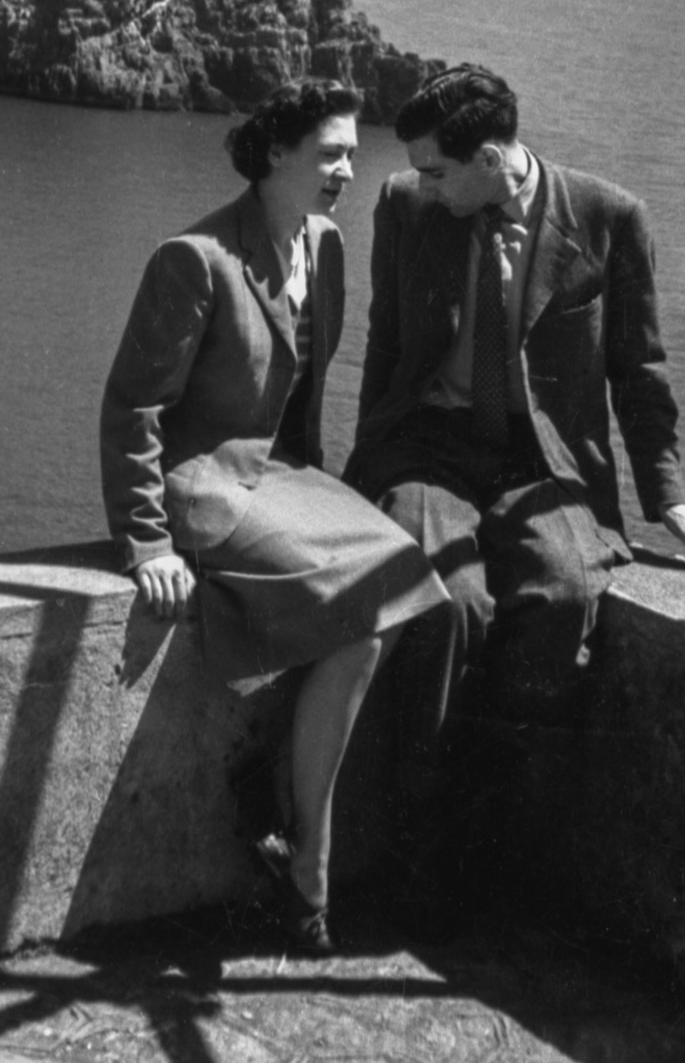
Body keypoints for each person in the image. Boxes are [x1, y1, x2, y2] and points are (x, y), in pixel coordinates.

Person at [345, 65, 685, 897]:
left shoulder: (608, 218)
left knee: (563, 598)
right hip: (428, 448)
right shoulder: (406, 210)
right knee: (444, 603)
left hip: (543, 466)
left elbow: (638, 367)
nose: (421, 182)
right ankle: (416, 838)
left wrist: (665, 495)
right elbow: (386, 343)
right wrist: (362, 465)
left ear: (490, 159)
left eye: (436, 169)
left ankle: (495, 826)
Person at [101, 80, 448, 954]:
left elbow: (302, 389)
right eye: (330, 153)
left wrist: (320, 494)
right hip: (204, 484)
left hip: (280, 474)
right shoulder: (193, 258)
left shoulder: (324, 245)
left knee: (409, 580)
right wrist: (146, 541)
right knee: (369, 608)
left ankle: (279, 800)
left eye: (351, 152)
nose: (348, 168)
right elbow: (134, 410)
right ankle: (307, 871)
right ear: (274, 155)